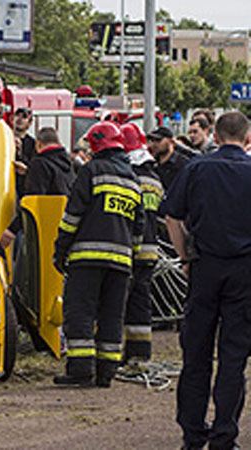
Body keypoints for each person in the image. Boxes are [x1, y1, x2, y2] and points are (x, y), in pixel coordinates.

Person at [162, 111, 251, 450]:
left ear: (214, 135)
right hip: (244, 273)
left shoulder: (196, 168)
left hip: (204, 268)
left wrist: (184, 257)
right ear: (247, 139)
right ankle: (224, 437)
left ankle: (193, 434)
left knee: (195, 355)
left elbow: (172, 215)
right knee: (233, 357)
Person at [53, 121, 144, 388]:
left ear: (96, 146)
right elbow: (138, 228)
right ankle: (106, 373)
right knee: (112, 316)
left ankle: (80, 370)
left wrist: (60, 250)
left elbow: (73, 216)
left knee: (80, 312)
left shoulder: (91, 171)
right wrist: (131, 258)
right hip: (121, 265)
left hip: (87, 259)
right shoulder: (133, 179)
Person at [120, 123, 164, 364]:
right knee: (140, 302)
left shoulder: (129, 179)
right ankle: (140, 353)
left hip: (129, 249)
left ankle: (114, 354)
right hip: (150, 250)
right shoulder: (155, 180)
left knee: (117, 302)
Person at [0, 127, 75, 248]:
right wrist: (29, 173)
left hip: (42, 232)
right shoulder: (67, 166)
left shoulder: (39, 164)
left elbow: (32, 201)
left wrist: (11, 230)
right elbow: (54, 185)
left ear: (38, 143)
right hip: (62, 231)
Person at [146, 126, 191, 191]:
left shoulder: (183, 164)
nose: (154, 144)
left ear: (171, 141)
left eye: (158, 140)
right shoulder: (151, 164)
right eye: (152, 140)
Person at [12, 107, 36, 198]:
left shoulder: (33, 144)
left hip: (21, 189)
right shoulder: (5, 137)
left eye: (24, 117)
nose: (20, 119)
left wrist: (20, 153)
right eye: (17, 115)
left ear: (30, 123)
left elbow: (33, 168)